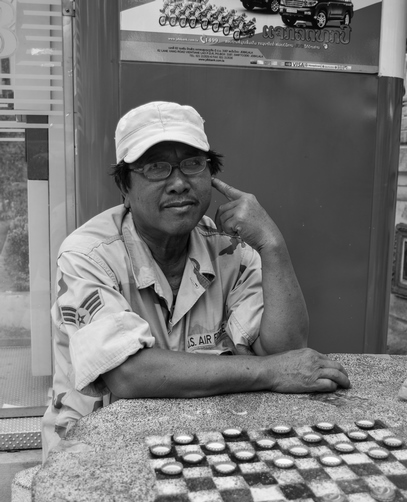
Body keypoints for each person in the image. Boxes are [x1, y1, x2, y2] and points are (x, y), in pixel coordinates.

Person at [41, 100, 350, 460]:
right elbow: (128, 375)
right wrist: (267, 372)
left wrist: (272, 245)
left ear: (211, 176)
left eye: (192, 164)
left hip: (198, 440)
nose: (178, 183)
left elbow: (286, 352)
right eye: (155, 167)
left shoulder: (229, 248)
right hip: (95, 447)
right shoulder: (87, 254)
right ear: (124, 186)